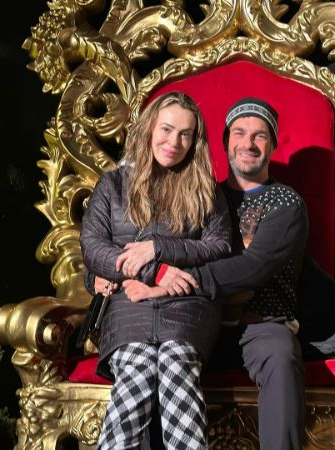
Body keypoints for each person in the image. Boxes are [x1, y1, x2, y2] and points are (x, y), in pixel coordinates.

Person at [115, 97, 309, 450]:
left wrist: (172, 285)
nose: (249, 143)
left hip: (258, 325)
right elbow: (141, 244)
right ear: (224, 142)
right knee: (155, 354)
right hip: (198, 320)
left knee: (281, 353)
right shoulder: (200, 197)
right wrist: (101, 275)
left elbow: (253, 266)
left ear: (273, 145)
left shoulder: (285, 203)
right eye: (239, 133)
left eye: (260, 135)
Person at [80, 91, 232, 450]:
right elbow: (93, 248)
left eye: (185, 134)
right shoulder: (112, 185)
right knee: (136, 373)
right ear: (150, 128)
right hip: (128, 306)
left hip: (186, 304)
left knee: (177, 369)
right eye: (166, 129)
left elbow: (220, 246)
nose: (174, 142)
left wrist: (159, 248)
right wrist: (156, 270)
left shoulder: (206, 189)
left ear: (195, 141)